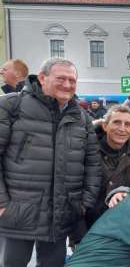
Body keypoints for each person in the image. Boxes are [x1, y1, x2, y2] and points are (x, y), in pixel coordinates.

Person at [0, 58, 101, 267]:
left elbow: (92, 163)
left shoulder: (81, 117)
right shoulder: (12, 106)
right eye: (61, 78)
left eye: (72, 80)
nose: (67, 85)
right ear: (43, 78)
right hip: (18, 210)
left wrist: (83, 203)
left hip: (62, 212)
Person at [71, 105, 130, 246]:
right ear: (105, 126)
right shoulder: (85, 152)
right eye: (116, 122)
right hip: (87, 230)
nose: (122, 128)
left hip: (121, 232)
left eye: (127, 124)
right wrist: (79, 238)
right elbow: (74, 196)